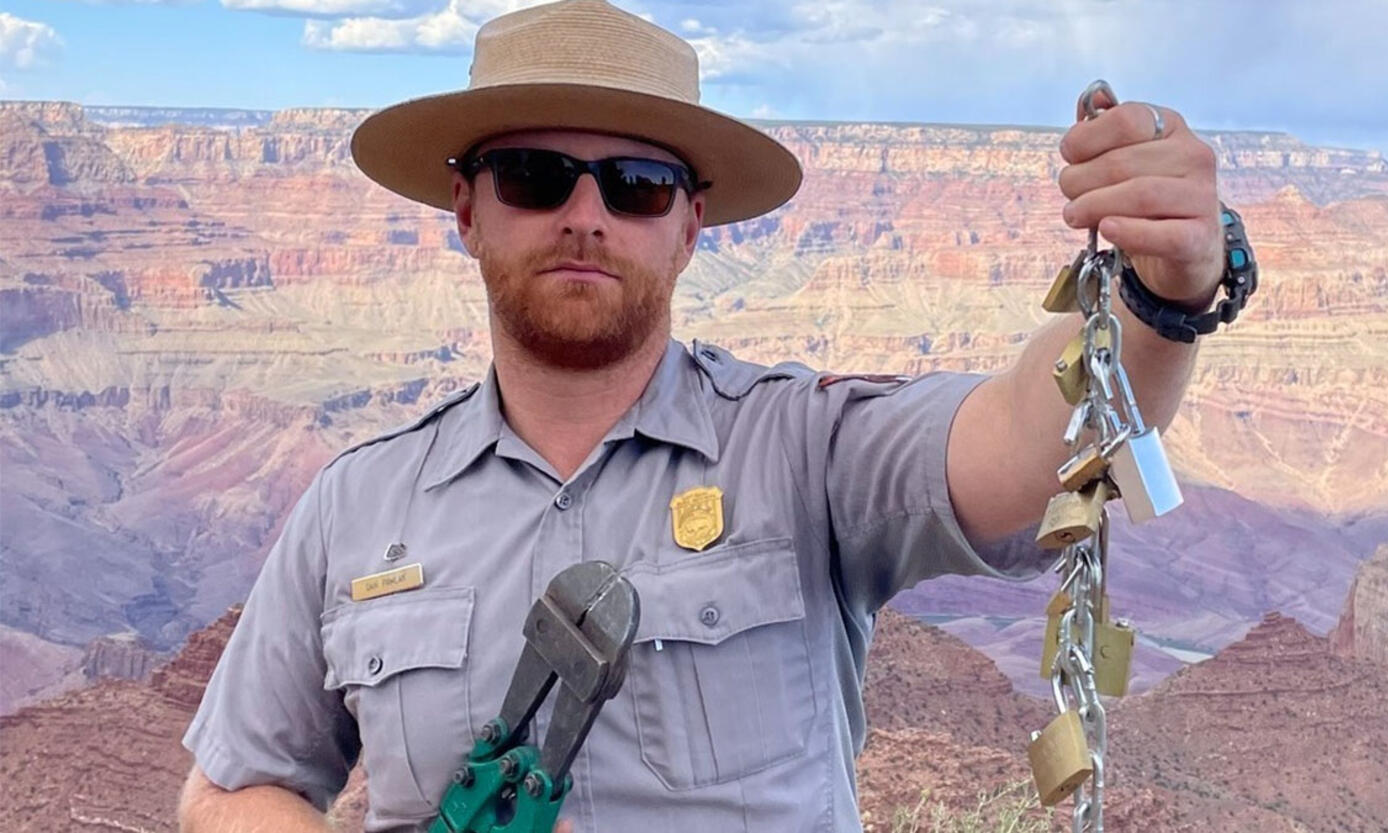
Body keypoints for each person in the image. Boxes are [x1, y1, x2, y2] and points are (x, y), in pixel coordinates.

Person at [176, 1, 1240, 831]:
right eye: (535, 176)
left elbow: (1025, 439)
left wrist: (1161, 291)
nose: (583, 217)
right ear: (467, 210)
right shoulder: (355, 506)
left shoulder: (803, 450)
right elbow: (227, 789)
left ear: (689, 225)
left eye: (635, 184)